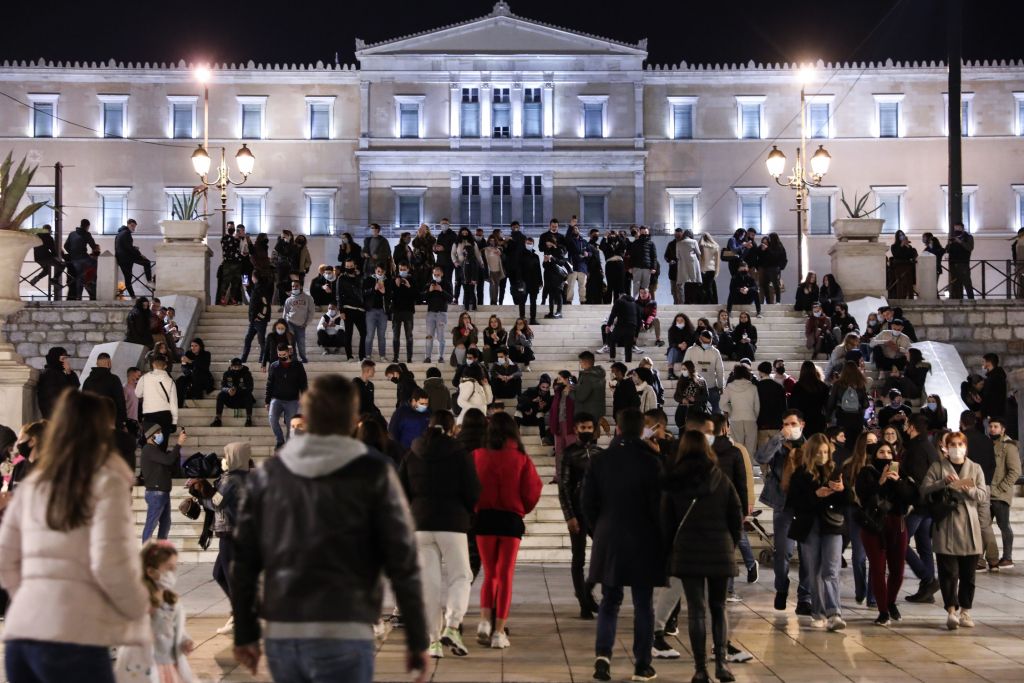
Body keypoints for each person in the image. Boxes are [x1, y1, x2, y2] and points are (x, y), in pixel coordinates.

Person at [230, 375, 429, 682]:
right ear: (353, 419)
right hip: (345, 625)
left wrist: (245, 631)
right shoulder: (373, 472)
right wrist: (417, 637)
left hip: (284, 629)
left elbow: (243, 560)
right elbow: (402, 558)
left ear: (306, 417)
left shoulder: (269, 474)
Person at [0, 391, 149, 683]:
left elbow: (5, 557)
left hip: (22, 633)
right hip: (74, 632)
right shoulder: (105, 480)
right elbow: (110, 564)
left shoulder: (34, 481)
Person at [585, 408, 663, 683]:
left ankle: (603, 659)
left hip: (610, 536)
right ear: (641, 429)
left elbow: (587, 503)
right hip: (644, 537)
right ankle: (642, 664)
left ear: (617, 429)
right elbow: (659, 507)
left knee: (609, 601)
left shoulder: (600, 460)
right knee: (644, 604)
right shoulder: (652, 462)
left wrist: (600, 529)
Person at [662, 430, 742, 683]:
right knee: (718, 608)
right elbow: (736, 515)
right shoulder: (721, 479)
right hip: (719, 548)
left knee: (696, 610)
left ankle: (700, 669)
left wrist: (670, 549)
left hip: (688, 551)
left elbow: (666, 521)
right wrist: (731, 543)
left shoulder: (674, 481)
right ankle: (721, 664)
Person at [400, 411, 480, 659]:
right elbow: (472, 490)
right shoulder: (459, 454)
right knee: (461, 576)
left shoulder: (412, 452)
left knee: (429, 585)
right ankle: (452, 625)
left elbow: (401, 488)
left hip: (420, 523)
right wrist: (465, 511)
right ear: (452, 428)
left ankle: (433, 641)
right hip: (452, 522)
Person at [471, 413, 542, 649]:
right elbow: (533, 490)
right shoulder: (521, 458)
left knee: (489, 573)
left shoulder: (478, 455)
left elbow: (470, 487)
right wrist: (522, 508)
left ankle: (483, 621)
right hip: (511, 521)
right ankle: (499, 632)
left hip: (484, 520)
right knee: (505, 575)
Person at [920, 431, 988, 630]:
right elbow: (924, 489)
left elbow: (983, 495)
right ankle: (951, 610)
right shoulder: (938, 466)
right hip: (947, 523)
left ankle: (966, 610)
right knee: (948, 572)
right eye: (952, 444)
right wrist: (943, 483)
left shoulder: (975, 468)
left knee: (968, 574)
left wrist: (968, 489)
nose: (956, 448)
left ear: (965, 446)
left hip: (969, 524)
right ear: (945, 448)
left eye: (960, 444)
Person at [785, 434, 848, 631]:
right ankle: (818, 611)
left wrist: (842, 490)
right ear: (811, 452)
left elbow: (846, 502)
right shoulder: (800, 475)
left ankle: (834, 612)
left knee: (831, 569)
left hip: (832, 525)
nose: (823, 456)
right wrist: (815, 495)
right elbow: (794, 503)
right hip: (809, 526)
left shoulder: (835, 470)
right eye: (819, 452)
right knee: (814, 570)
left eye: (826, 452)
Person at [850, 438, 916, 624]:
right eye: (881, 452)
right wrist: (880, 481)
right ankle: (883, 610)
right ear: (874, 454)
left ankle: (891, 601)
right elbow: (864, 498)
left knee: (898, 570)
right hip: (873, 525)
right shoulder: (866, 472)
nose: (885, 456)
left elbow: (912, 497)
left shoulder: (902, 473)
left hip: (897, 525)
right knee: (878, 569)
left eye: (889, 453)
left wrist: (898, 483)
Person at [756, 410, 811, 614]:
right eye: (786, 424)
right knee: (783, 553)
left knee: (807, 555)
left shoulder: (810, 446)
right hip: (783, 504)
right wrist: (779, 437)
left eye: (793, 423)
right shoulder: (779, 445)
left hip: (805, 506)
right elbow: (761, 457)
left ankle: (805, 597)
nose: (789, 428)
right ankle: (781, 588)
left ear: (802, 424)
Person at [558, 413, 603, 619]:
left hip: (598, 512)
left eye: (588, 428)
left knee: (604, 553)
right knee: (579, 558)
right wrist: (569, 515)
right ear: (575, 430)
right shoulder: (569, 454)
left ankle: (586, 591)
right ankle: (584, 603)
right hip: (578, 511)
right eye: (582, 428)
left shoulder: (600, 453)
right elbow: (564, 487)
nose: (585, 431)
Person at [902, 415, 942, 604]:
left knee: (899, 541)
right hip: (928, 504)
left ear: (911, 426)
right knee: (924, 545)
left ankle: (928, 578)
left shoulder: (917, 448)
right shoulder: (927, 446)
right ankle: (927, 590)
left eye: (906, 424)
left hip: (918, 504)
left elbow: (918, 478)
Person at [139, 424, 185, 542]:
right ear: (151, 437)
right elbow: (168, 460)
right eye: (158, 433)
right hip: (156, 494)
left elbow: (168, 463)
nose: (161, 435)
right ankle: (146, 556)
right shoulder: (148, 449)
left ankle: (160, 553)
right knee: (151, 526)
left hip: (162, 493)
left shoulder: (155, 450)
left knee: (165, 525)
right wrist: (179, 444)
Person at [987, 417, 1020, 569]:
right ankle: (983, 559)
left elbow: (1015, 471)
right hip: (987, 493)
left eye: (996, 426)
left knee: (1004, 526)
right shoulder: (988, 444)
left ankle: (1007, 558)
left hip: (1000, 495)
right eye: (991, 426)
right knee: (984, 527)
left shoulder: (1009, 446)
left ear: (1003, 429)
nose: (992, 429)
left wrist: (1001, 488)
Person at [265, 343, 308, 449]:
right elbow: (269, 383)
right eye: (279, 354)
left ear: (288, 353)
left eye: (283, 354)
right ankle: (280, 440)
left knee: (290, 424)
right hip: (277, 398)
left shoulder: (297, 365)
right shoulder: (274, 366)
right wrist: (267, 401)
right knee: (272, 419)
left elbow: (303, 383)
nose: (281, 356)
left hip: (292, 400)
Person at [136, 354, 178, 444]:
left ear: (153, 364)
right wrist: (174, 421)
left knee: (149, 444)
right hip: (165, 416)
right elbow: (174, 403)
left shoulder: (144, 378)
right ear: (165, 366)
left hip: (149, 415)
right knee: (162, 444)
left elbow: (138, 394)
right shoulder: (170, 381)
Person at [721, 364, 760, 457]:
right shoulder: (753, 387)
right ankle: (749, 469)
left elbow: (722, 404)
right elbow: (757, 406)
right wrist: (755, 416)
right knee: (750, 448)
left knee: (738, 447)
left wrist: (730, 411)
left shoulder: (730, 387)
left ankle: (740, 469)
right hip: (750, 418)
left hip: (735, 418)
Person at [685, 330, 726, 414]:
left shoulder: (715, 352)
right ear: (700, 339)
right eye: (704, 341)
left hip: (711, 386)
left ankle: (716, 425)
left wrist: (721, 385)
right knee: (696, 411)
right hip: (695, 386)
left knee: (717, 409)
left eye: (709, 342)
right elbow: (685, 368)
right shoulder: (691, 350)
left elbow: (720, 369)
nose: (706, 344)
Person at [82, 352, 127, 429]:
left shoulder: (87, 380)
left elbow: (83, 403)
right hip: (110, 423)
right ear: (109, 363)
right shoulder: (113, 379)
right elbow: (120, 401)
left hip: (92, 423)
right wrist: (122, 422)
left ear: (96, 363)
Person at [828, 362, 869, 444]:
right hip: (857, 418)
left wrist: (828, 418)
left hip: (842, 417)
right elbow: (865, 404)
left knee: (843, 441)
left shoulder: (837, 384)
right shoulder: (860, 384)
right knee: (855, 443)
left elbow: (831, 403)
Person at [35, 346, 80, 420]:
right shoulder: (49, 374)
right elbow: (51, 398)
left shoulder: (61, 373)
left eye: (66, 359)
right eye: (63, 358)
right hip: (55, 417)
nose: (65, 361)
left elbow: (74, 389)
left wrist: (69, 372)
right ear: (55, 358)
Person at [210, 358, 255, 428]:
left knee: (248, 395)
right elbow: (222, 387)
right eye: (235, 367)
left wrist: (237, 391)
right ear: (231, 366)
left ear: (241, 366)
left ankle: (249, 418)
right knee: (221, 395)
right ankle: (218, 419)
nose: (236, 369)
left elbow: (250, 388)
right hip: (230, 399)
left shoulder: (247, 374)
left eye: (238, 367)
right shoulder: (227, 374)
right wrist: (228, 390)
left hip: (242, 399)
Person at [790, 361, 829, 438]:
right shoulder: (823, 386)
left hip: (802, 420)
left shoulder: (797, 387)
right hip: (818, 419)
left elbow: (793, 405)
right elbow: (827, 404)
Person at [64, 218, 100, 300]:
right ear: (87, 226)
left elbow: (65, 246)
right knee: (95, 263)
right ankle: (90, 281)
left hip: (74, 260)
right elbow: (93, 246)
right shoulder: (87, 234)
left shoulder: (72, 234)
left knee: (79, 277)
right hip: (83, 258)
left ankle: (78, 296)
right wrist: (96, 249)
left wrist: (72, 253)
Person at [240, 271, 272, 364]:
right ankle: (243, 359)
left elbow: (265, 304)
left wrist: (260, 316)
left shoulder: (261, 288)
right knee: (248, 339)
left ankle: (263, 358)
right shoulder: (256, 287)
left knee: (261, 340)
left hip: (260, 320)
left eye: (252, 277)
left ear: (254, 277)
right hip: (254, 320)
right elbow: (253, 300)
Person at [424, 266, 453, 363]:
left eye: (438, 275)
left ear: (442, 274)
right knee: (429, 336)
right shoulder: (429, 283)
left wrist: (441, 290)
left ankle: (441, 357)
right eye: (434, 275)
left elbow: (450, 298)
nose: (436, 276)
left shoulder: (447, 283)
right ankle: (428, 357)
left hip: (441, 313)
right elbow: (423, 298)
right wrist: (429, 291)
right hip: (431, 313)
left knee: (441, 337)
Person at [755, 361, 787, 448]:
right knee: (776, 454)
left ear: (760, 372)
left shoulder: (757, 387)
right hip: (776, 424)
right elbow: (784, 407)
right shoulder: (779, 387)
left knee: (763, 455)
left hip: (762, 424)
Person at [175, 338, 214, 407]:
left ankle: (197, 397)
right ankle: (179, 404)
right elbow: (184, 368)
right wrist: (184, 364)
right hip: (191, 376)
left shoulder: (206, 354)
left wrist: (190, 361)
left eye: (196, 346)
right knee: (180, 380)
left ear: (200, 346)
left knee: (197, 372)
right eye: (192, 346)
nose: (193, 348)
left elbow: (204, 366)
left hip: (204, 377)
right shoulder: (188, 354)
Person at [391, 263, 417, 363]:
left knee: (409, 336)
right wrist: (396, 286)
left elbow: (416, 296)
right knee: (395, 336)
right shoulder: (394, 280)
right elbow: (390, 296)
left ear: (408, 269)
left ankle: (409, 357)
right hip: (396, 311)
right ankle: (395, 357)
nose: (402, 270)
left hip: (408, 312)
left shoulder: (412, 280)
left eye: (404, 269)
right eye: (400, 269)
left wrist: (409, 286)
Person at [517, 374, 552, 440]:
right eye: (543, 387)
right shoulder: (531, 390)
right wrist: (532, 401)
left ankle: (543, 438)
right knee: (517, 412)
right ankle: (515, 435)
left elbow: (544, 410)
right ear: (539, 385)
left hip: (536, 419)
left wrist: (541, 408)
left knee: (540, 414)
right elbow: (520, 399)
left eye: (547, 387)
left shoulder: (548, 396)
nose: (545, 389)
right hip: (525, 417)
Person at [946, 222, 975, 301]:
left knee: (967, 283)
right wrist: (950, 243)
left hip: (963, 263)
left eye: (958, 228)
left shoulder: (968, 237)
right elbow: (947, 250)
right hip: (953, 264)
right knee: (955, 284)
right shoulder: (953, 238)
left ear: (962, 228)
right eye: (955, 228)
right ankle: (957, 300)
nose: (956, 230)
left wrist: (960, 242)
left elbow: (970, 247)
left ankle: (971, 300)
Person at [519, 237, 542, 324]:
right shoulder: (521, 255)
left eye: (530, 243)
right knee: (522, 301)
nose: (529, 245)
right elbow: (518, 269)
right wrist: (519, 281)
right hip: (523, 282)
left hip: (534, 282)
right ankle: (522, 319)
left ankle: (533, 319)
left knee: (533, 301)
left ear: (533, 244)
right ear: (525, 244)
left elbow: (539, 270)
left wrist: (540, 282)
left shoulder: (536, 256)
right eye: (527, 243)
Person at [981, 352, 1008, 421]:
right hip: (994, 414)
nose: (982, 364)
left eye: (983, 361)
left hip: (993, 415)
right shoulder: (994, 376)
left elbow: (993, 398)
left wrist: (988, 414)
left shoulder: (995, 377)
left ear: (989, 363)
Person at [698, 232, 721, 305]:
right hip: (712, 268)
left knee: (704, 288)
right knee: (709, 287)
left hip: (702, 269)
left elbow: (699, 258)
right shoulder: (715, 246)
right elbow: (717, 260)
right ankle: (712, 302)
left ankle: (705, 302)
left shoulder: (701, 246)